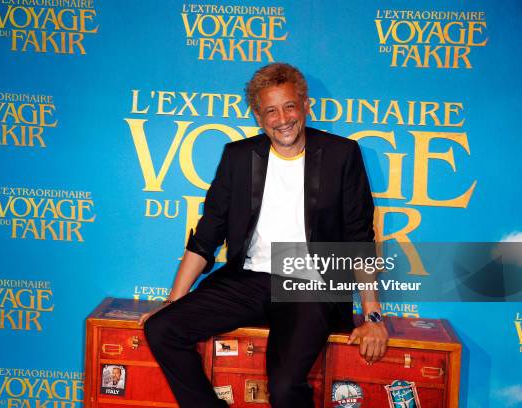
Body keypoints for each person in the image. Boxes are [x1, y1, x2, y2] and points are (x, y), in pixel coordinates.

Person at [140, 63, 388, 408]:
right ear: (258, 116)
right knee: (161, 329)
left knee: (285, 388)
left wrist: (372, 315)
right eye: (270, 110)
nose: (282, 118)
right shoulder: (238, 157)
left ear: (306, 106)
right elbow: (207, 233)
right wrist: (172, 301)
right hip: (248, 281)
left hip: (310, 287)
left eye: (289, 106)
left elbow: (358, 239)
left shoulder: (341, 154)